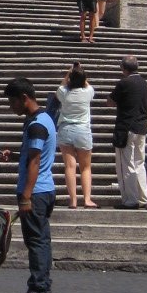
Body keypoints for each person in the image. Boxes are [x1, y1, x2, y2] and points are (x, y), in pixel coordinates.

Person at [3, 78, 56, 293]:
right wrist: (15, 155)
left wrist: (26, 195)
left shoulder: (36, 125)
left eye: (12, 102)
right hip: (45, 188)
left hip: (36, 192)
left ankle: (39, 289)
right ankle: (41, 286)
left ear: (24, 98)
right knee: (40, 239)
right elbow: (34, 154)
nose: (11, 107)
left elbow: (35, 161)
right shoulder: (43, 119)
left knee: (37, 241)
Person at [109, 55, 147, 208]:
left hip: (126, 128)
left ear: (123, 68)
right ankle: (143, 197)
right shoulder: (144, 83)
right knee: (139, 162)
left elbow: (110, 101)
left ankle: (130, 199)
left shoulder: (124, 83)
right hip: (141, 127)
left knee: (125, 165)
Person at [54, 62, 96, 209]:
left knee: (69, 166)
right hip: (83, 130)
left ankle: (73, 200)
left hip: (65, 129)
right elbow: (86, 83)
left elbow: (61, 86)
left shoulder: (63, 92)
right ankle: (87, 199)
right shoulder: (88, 92)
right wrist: (80, 73)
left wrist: (70, 72)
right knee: (85, 167)